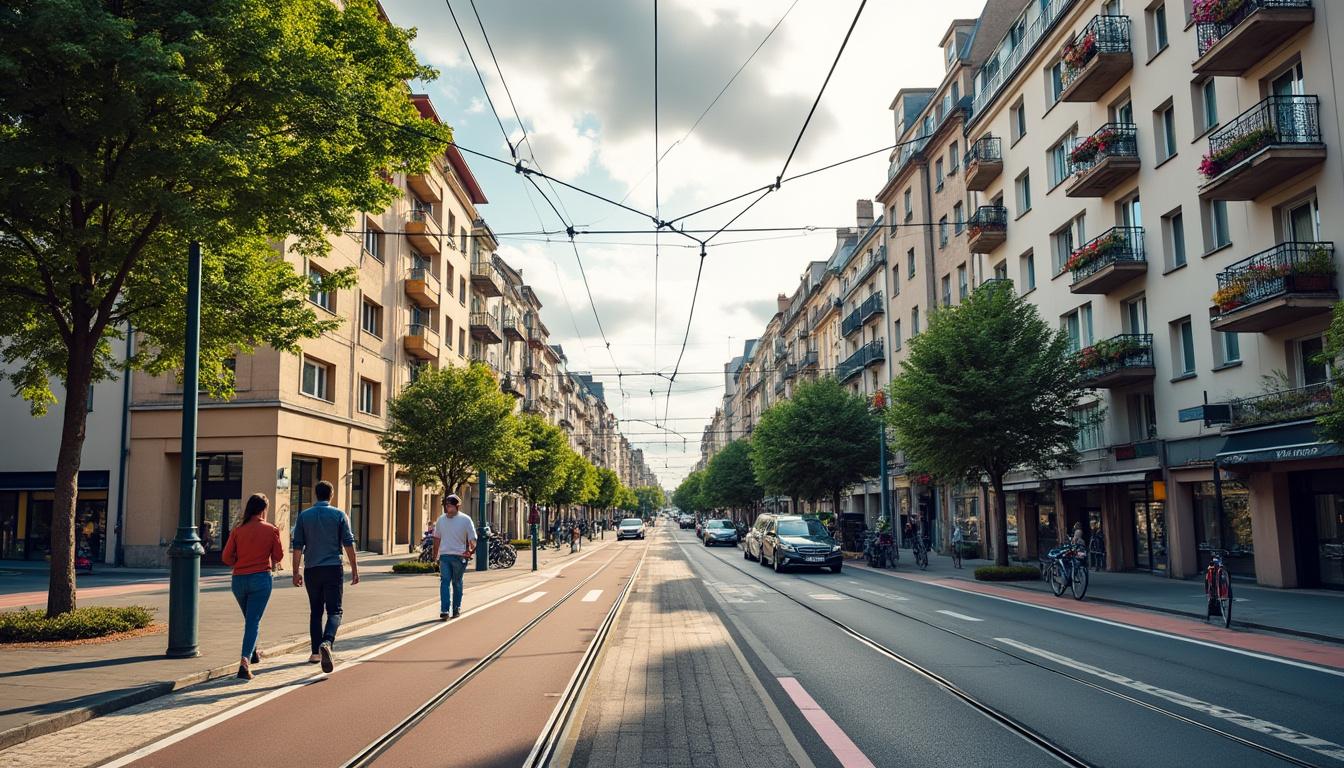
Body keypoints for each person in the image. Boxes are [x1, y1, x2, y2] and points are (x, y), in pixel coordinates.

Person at [292, 480, 359, 673]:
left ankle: (315, 653)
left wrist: (296, 572)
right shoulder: (339, 515)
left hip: (312, 569)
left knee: (315, 611)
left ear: (315, 494)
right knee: (334, 611)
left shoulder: (304, 516)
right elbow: (348, 543)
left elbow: (297, 546)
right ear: (331, 495)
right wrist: (355, 569)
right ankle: (327, 642)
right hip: (333, 568)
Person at [222, 493, 283, 680]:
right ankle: (244, 662)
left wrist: (240, 562)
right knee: (253, 621)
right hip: (260, 579)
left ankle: (253, 653)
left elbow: (226, 557)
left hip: (239, 580)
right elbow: (278, 556)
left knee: (250, 619)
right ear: (264, 509)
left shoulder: (238, 530)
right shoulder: (271, 529)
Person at [432, 494, 476, 620]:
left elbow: (473, 538)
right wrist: (435, 555)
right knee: (445, 582)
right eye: (447, 506)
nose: (448, 508)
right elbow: (437, 538)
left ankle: (456, 608)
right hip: (445, 556)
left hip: (459, 556)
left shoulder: (465, 519)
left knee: (456, 582)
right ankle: (444, 610)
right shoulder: (441, 520)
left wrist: (470, 551)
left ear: (457, 506)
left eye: (450, 506)